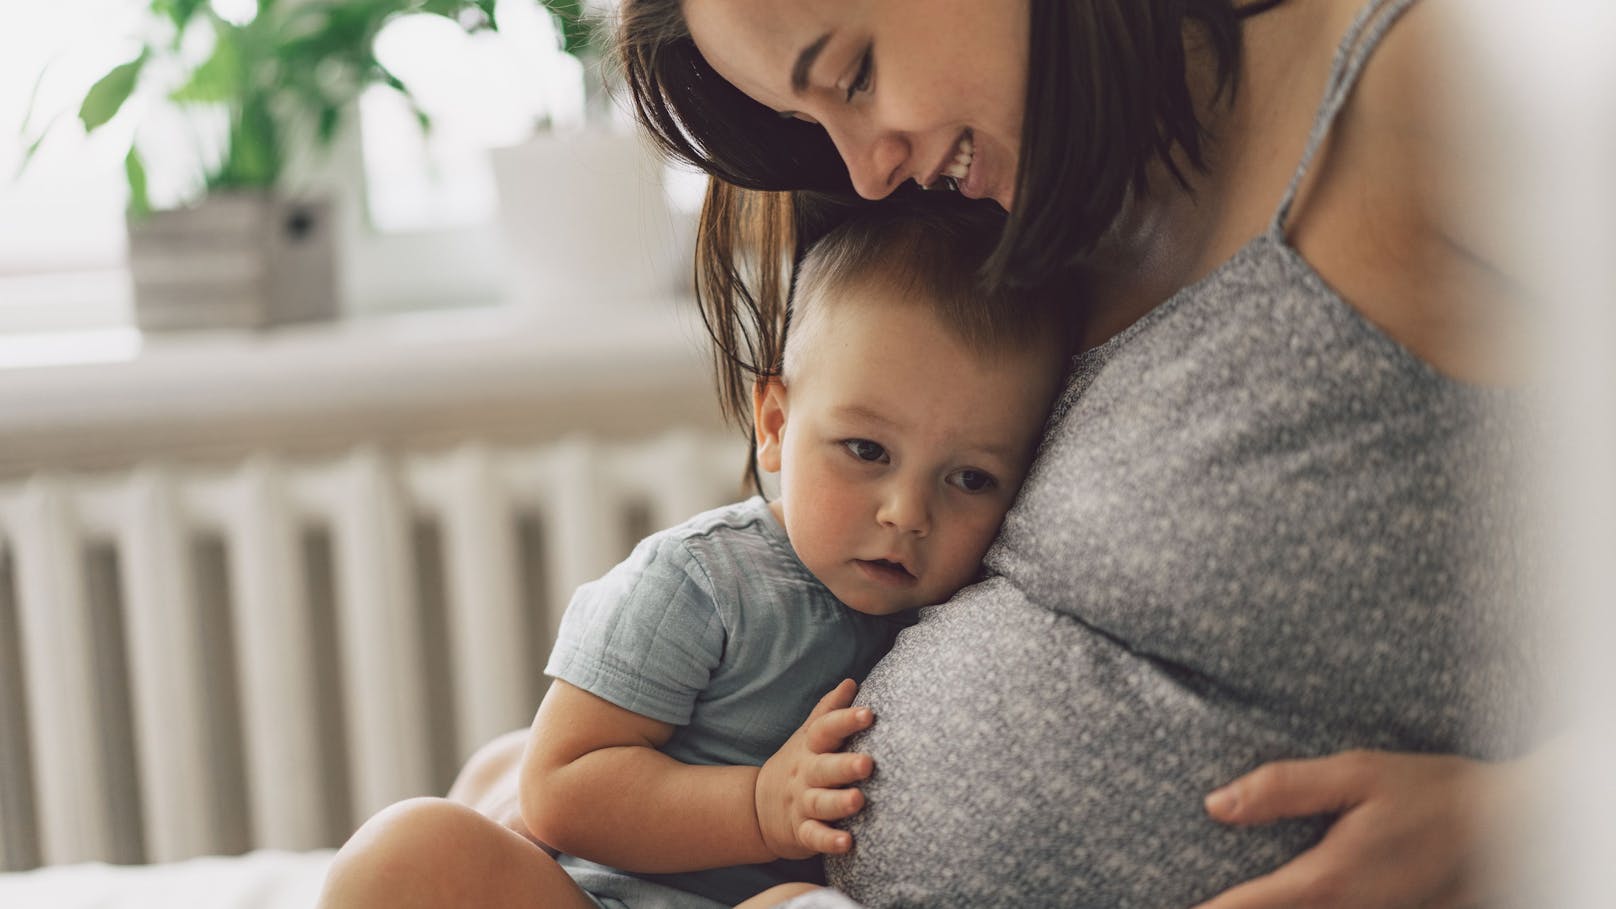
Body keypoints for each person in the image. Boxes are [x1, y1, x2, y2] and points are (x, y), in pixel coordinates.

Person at [438, 0, 1545, 906]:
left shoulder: (1428, 80)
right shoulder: (1022, 215)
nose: (866, 174)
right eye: (809, 117)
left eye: (856, 71)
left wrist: (1513, 823)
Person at [317, 197, 1075, 909]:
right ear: (775, 422)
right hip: (590, 895)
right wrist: (759, 806)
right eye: (866, 448)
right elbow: (560, 784)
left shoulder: (976, 610)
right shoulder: (703, 581)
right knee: (405, 849)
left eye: (971, 478)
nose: (908, 512)